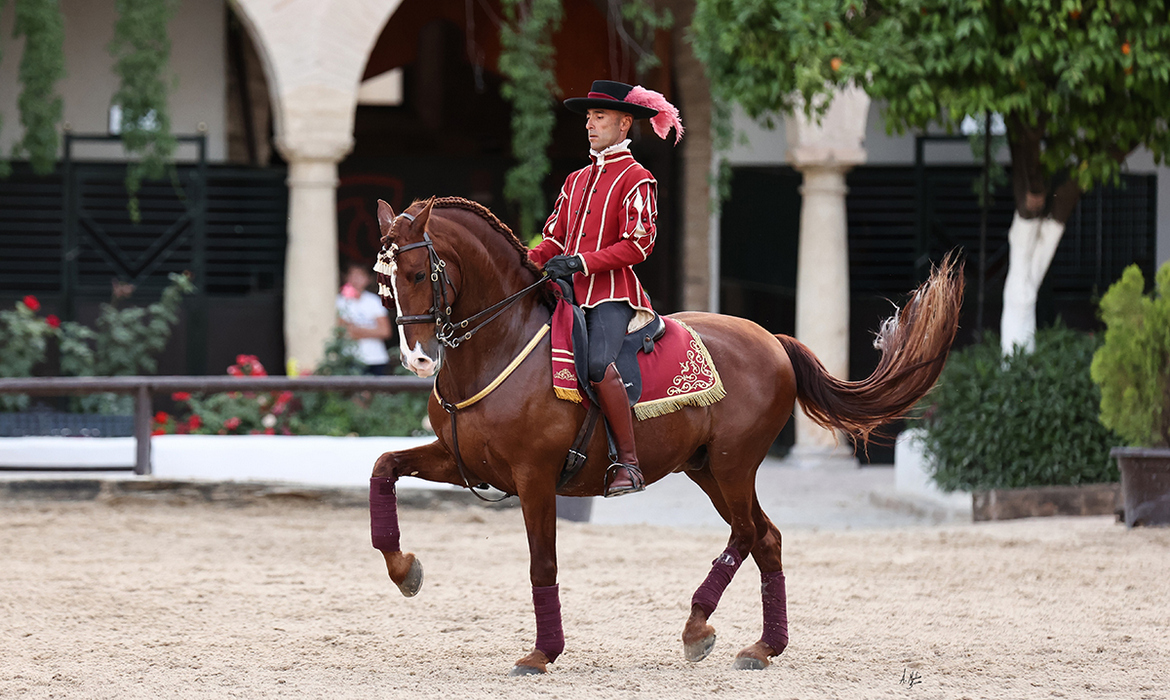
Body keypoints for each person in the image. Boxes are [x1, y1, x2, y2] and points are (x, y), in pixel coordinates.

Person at [527, 79, 683, 497]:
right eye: (589, 119)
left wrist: (580, 262)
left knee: (597, 365)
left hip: (613, 296)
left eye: (599, 118)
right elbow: (554, 239)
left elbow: (638, 244)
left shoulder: (638, 178)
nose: (590, 126)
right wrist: (526, 260)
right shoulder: (575, 179)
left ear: (624, 123)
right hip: (565, 293)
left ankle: (628, 465)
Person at [337, 261, 392, 375]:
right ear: (346, 277)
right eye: (353, 275)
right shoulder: (340, 301)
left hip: (376, 358)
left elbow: (385, 331)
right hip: (351, 358)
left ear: (368, 279)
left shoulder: (374, 301)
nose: (356, 279)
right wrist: (372, 330)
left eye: (360, 275)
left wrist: (357, 330)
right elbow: (342, 331)